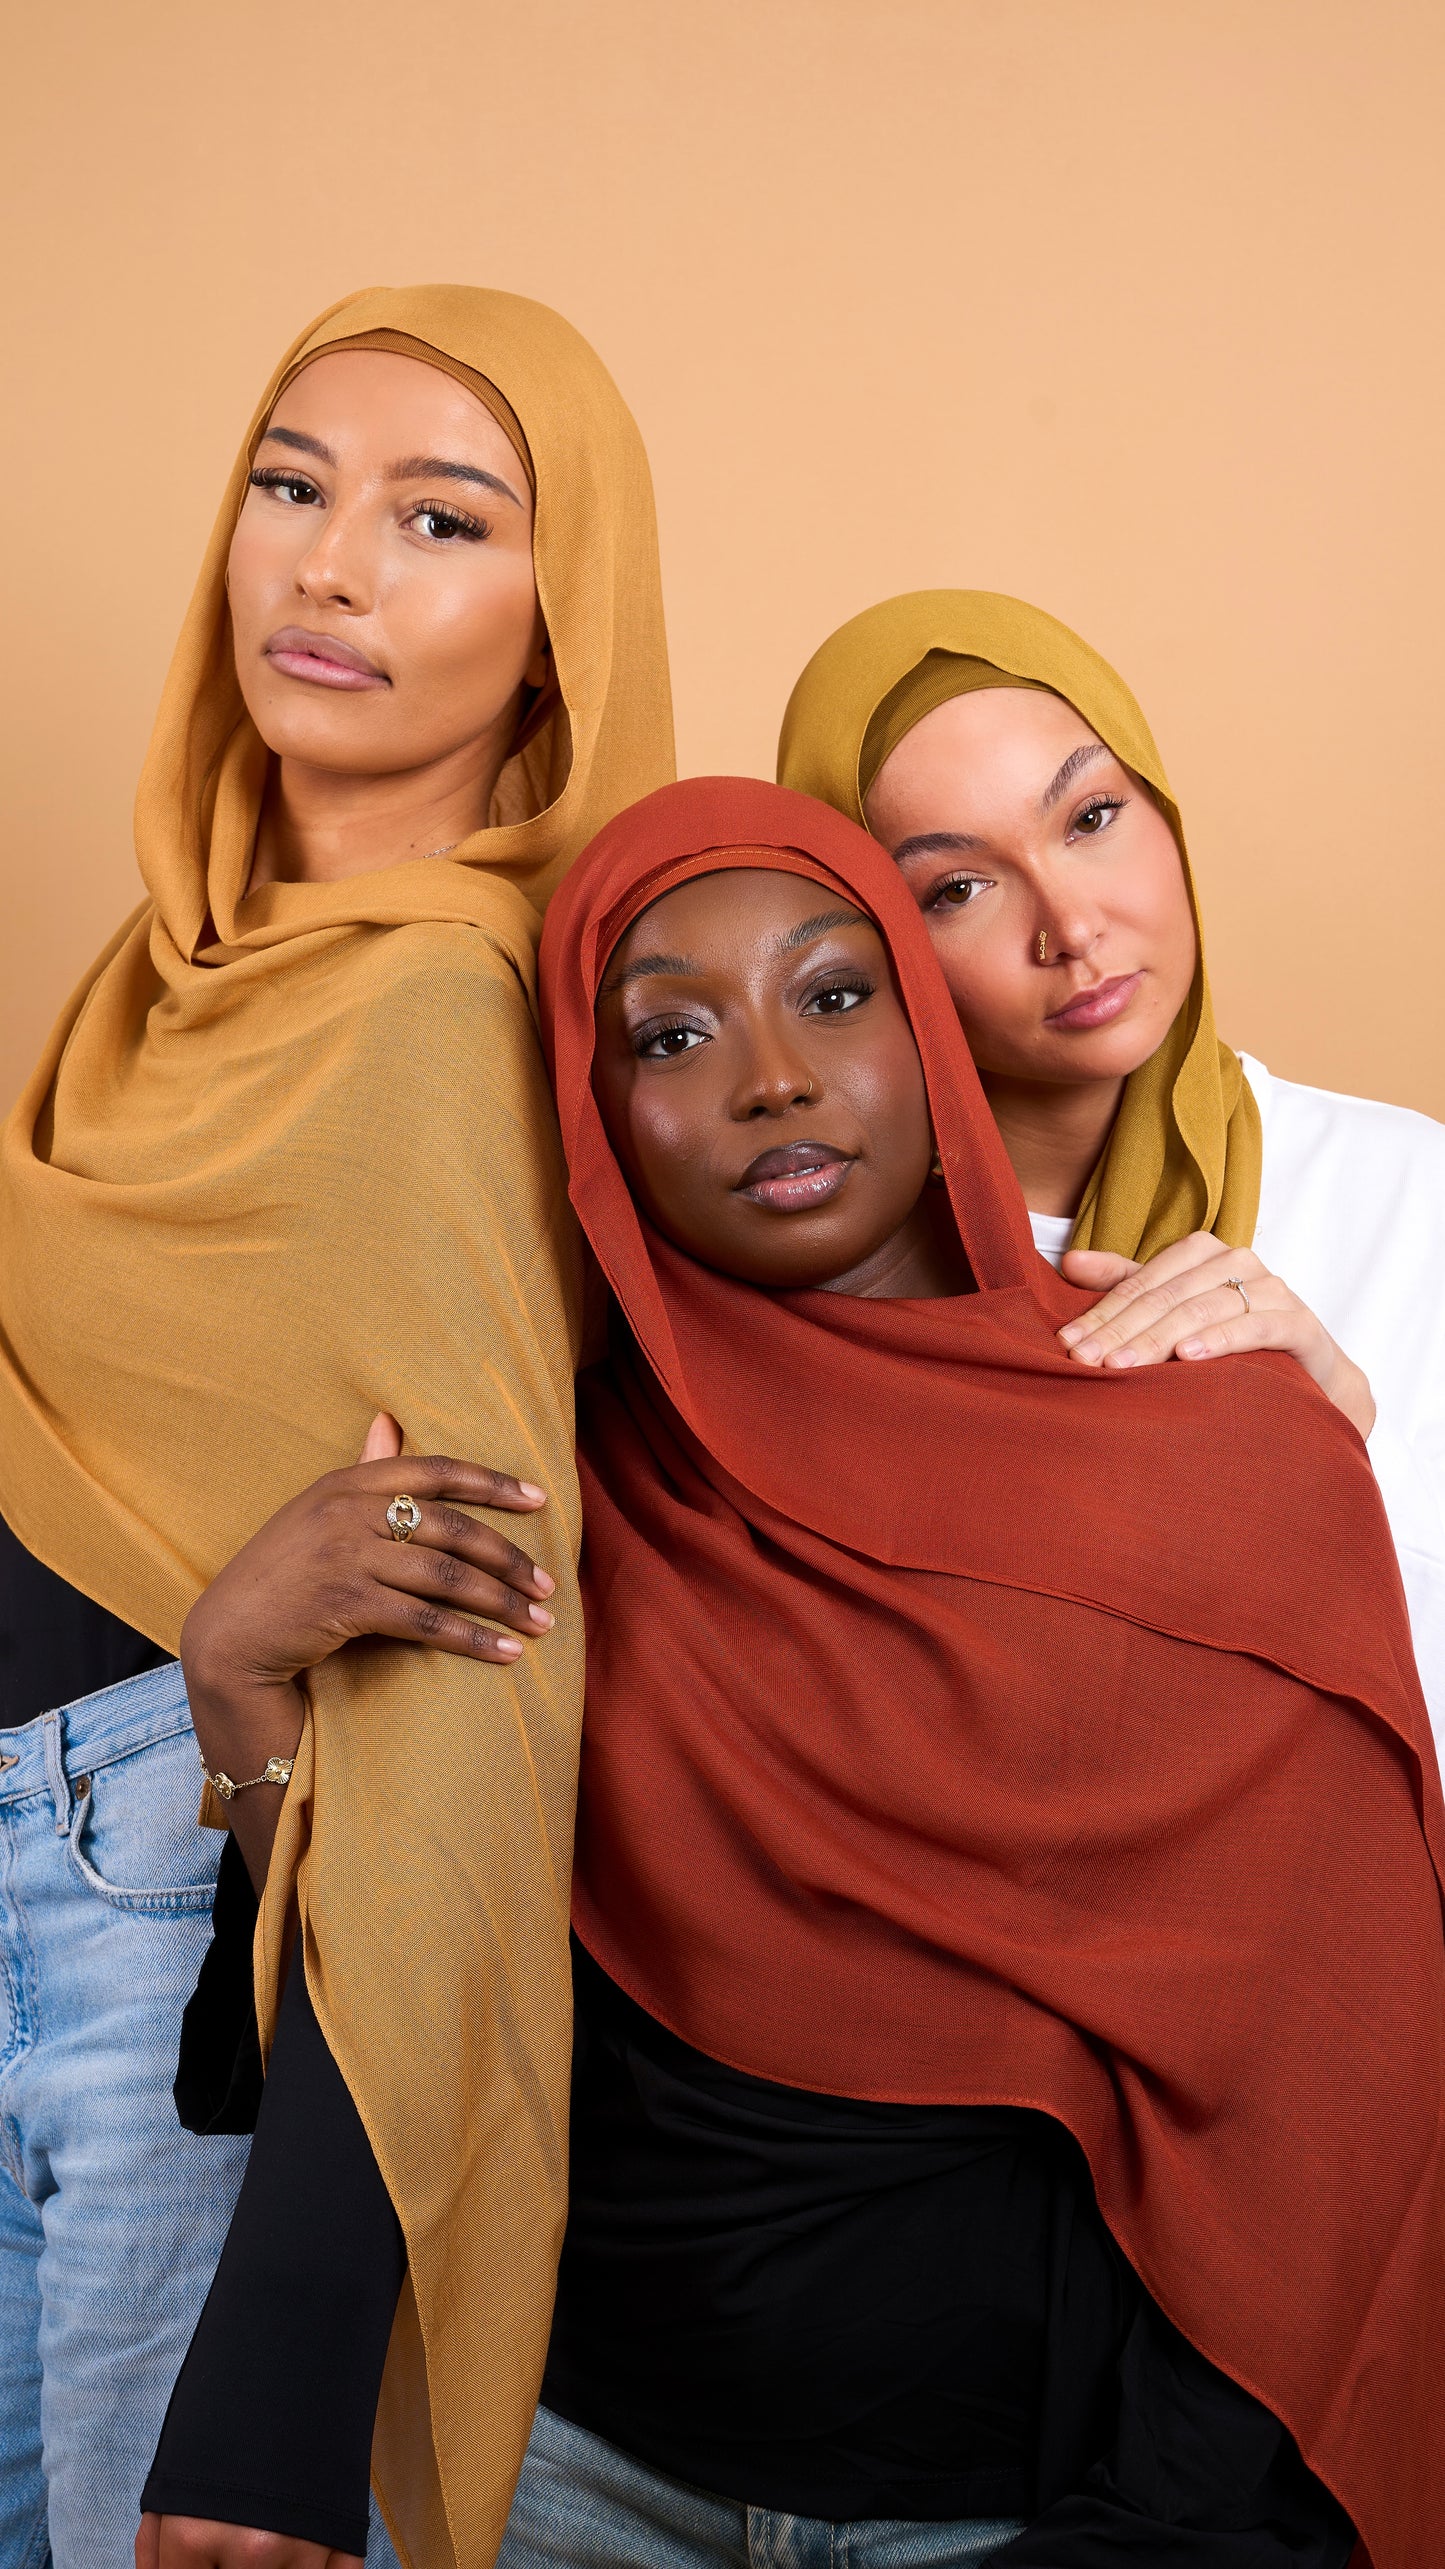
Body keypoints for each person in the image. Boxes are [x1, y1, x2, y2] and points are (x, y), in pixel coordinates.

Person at [147, 779, 1444, 2569]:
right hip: (568, 2472)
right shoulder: (551, 1486)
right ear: (592, 1126)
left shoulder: (1228, 1442)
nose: (769, 1073)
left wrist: (1155, 2531)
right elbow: (400, 1992)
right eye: (672, 1032)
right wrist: (240, 1694)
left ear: (932, 1037)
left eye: (835, 993)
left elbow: (1345, 2076)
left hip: (1019, 2511)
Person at [0, 282, 673, 2569]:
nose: (329, 563)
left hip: (159, 1955)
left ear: (555, 632)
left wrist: (285, 2379)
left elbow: (474, 1705)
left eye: (438, 519)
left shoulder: (441, 1024)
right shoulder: (154, 979)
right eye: (289, 484)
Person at [778, 591, 1445, 1739]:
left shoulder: (1406, 1195)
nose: (1070, 926)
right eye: (955, 887)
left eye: (1089, 816)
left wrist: (1338, 1448)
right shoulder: (829, 1268)